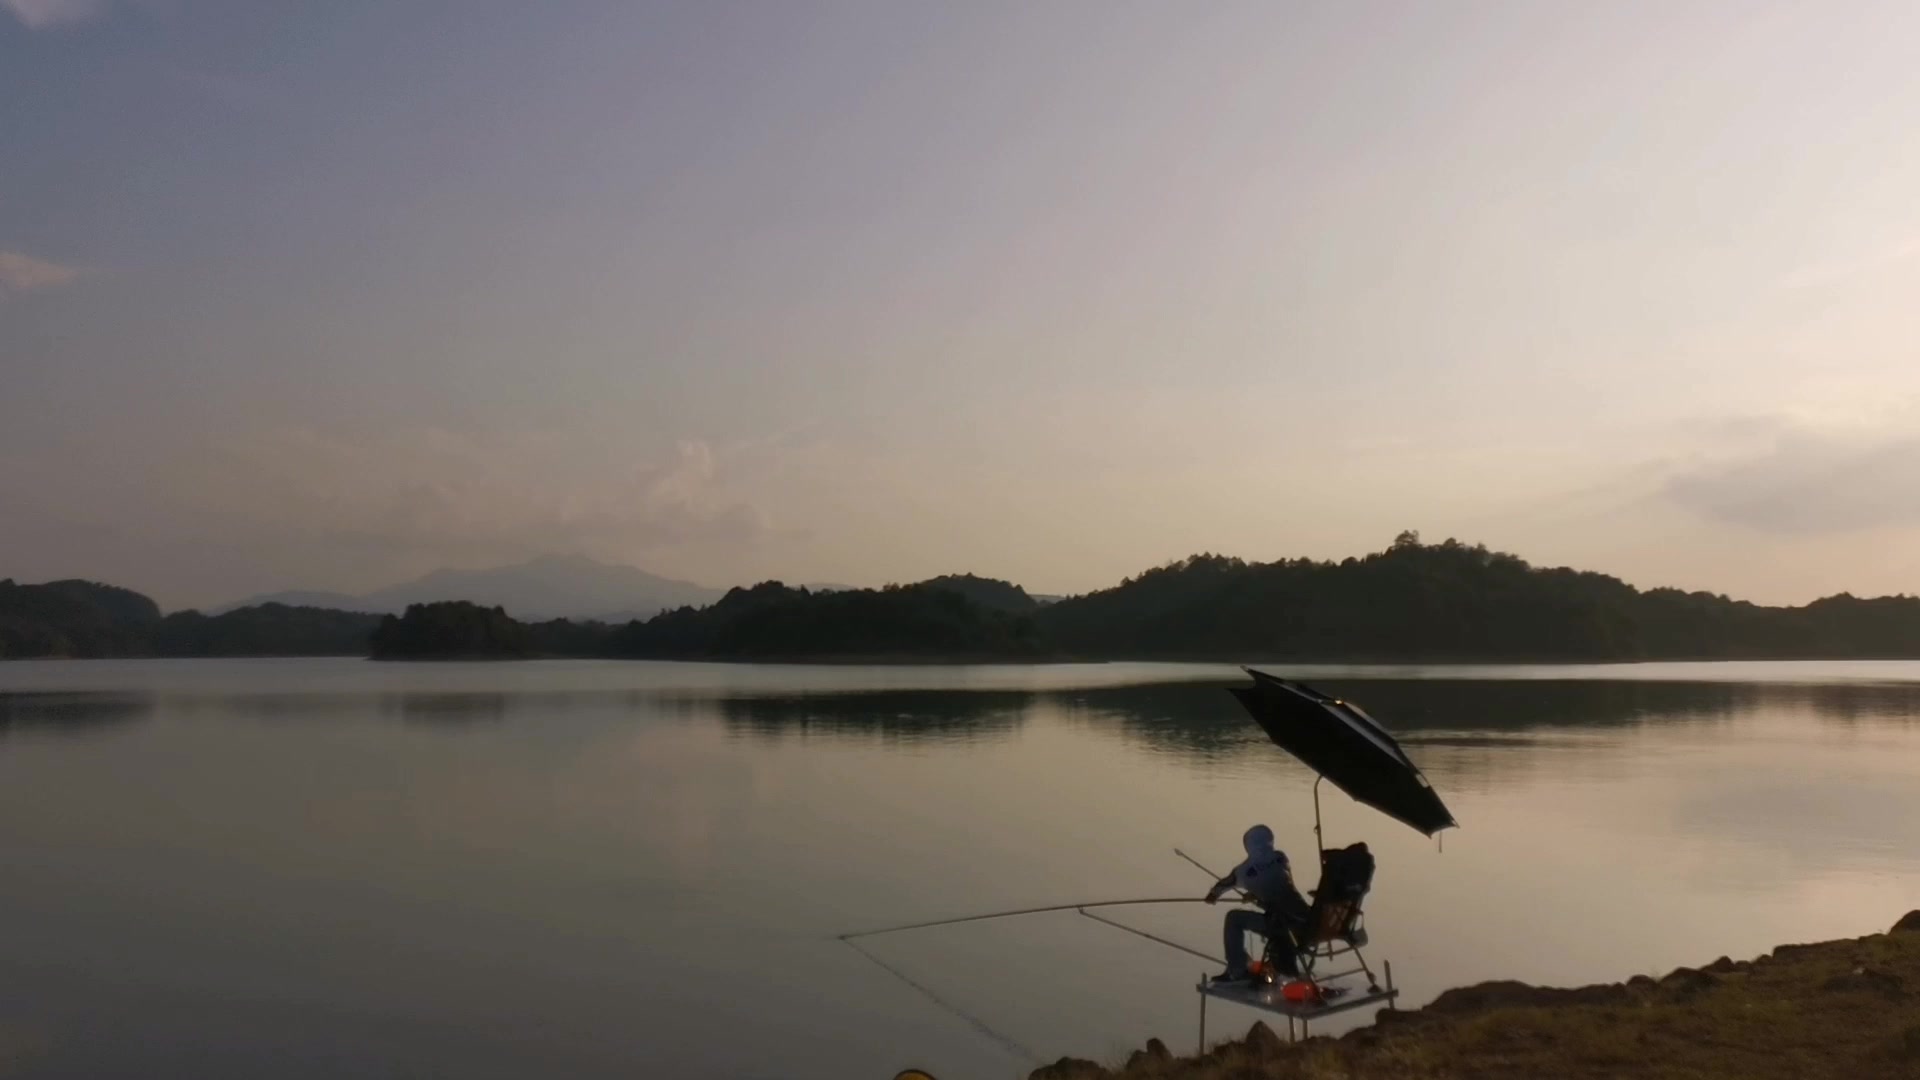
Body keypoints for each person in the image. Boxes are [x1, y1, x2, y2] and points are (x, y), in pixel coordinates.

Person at [1204, 824, 1310, 983]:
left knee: (1233, 918)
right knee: (1280, 907)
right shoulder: (1281, 858)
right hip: (1306, 921)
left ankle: (1237, 968)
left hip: (1281, 925)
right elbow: (1277, 885)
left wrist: (1212, 896)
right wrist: (1255, 894)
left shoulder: (1242, 871)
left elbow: (1224, 885)